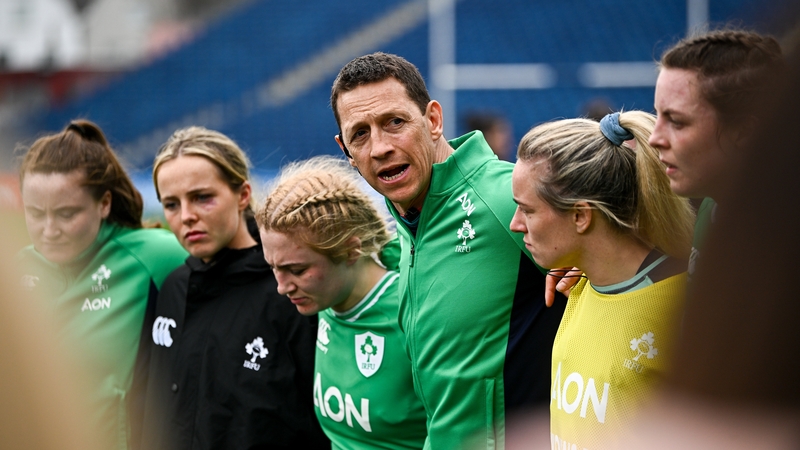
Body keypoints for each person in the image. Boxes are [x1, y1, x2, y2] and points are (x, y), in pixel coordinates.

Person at [330, 52, 565, 449]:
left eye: (395, 122)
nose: (380, 147)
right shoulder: (409, 222)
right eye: (360, 134)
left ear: (433, 120)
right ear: (346, 151)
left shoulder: (506, 196)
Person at [547, 28, 785, 299]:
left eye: (677, 122)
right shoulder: (711, 206)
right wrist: (597, 254)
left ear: (744, 132)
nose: (655, 138)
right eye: (659, 115)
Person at [509, 110, 695, 448]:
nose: (515, 224)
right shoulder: (579, 286)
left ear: (581, 215)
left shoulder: (681, 308)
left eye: (528, 210)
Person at [140, 126, 328, 450]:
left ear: (242, 195)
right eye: (171, 204)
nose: (186, 216)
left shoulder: (290, 291)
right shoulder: (172, 287)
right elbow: (145, 406)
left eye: (202, 198)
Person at [16, 120, 188, 449]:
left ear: (104, 203)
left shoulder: (155, 257)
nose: (49, 230)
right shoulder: (17, 270)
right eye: (35, 213)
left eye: (67, 214)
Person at [256, 155, 428, 449]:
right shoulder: (325, 299)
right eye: (274, 267)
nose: (282, 287)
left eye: (297, 270)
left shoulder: (415, 310)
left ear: (351, 251)